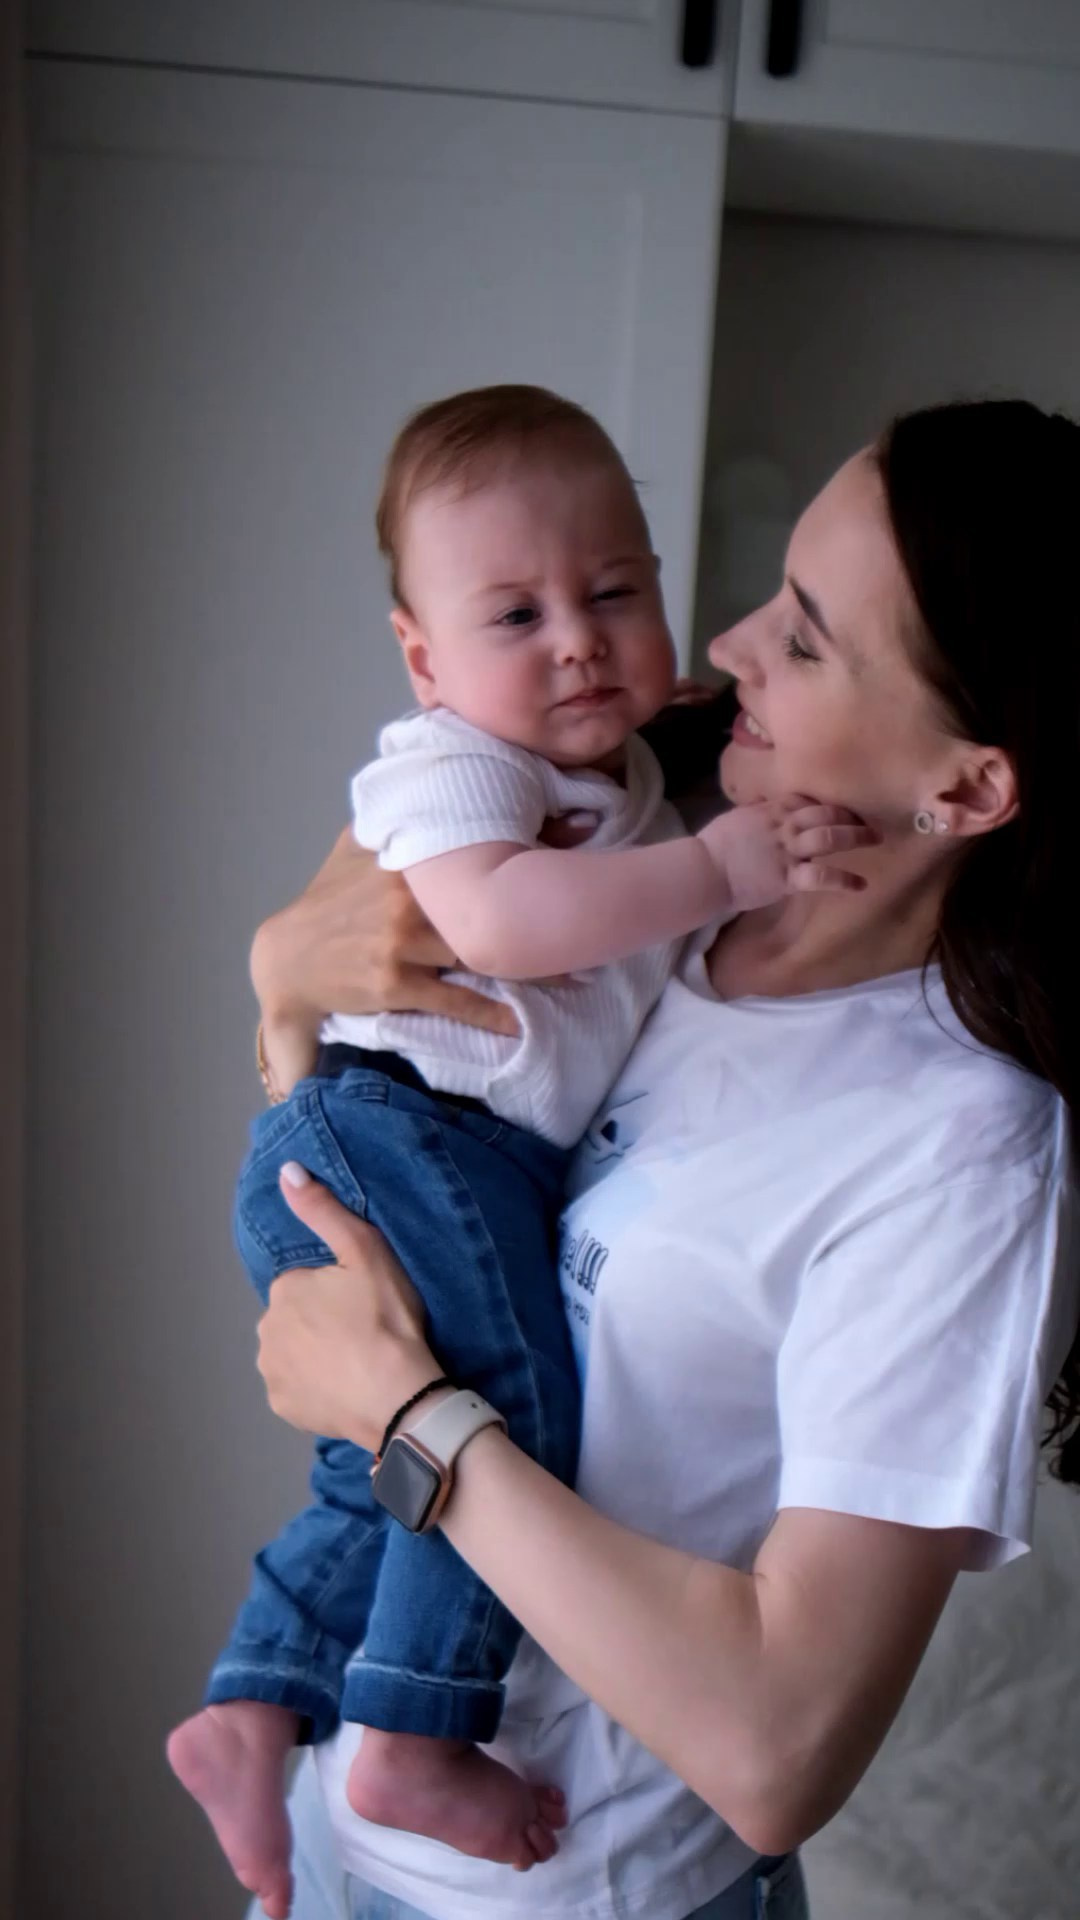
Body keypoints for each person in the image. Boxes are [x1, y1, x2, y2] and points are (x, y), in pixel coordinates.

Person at [243, 399, 1080, 1920]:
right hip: (332, 1826)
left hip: (567, 1885)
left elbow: (779, 1753)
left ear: (966, 787)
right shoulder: (644, 829)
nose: (737, 645)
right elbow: (350, 1016)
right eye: (775, 592)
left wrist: (404, 1416)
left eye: (812, 640)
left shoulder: (960, 1148)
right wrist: (280, 974)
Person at [167, 387, 868, 1920]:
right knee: (502, 1416)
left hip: (411, 1137)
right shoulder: (456, 769)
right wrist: (716, 865)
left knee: (374, 1475)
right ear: (425, 659)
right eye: (516, 612)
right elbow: (491, 924)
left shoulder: (626, 772)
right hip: (405, 1133)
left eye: (615, 592)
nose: (576, 638)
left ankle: (257, 1697)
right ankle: (413, 1732)